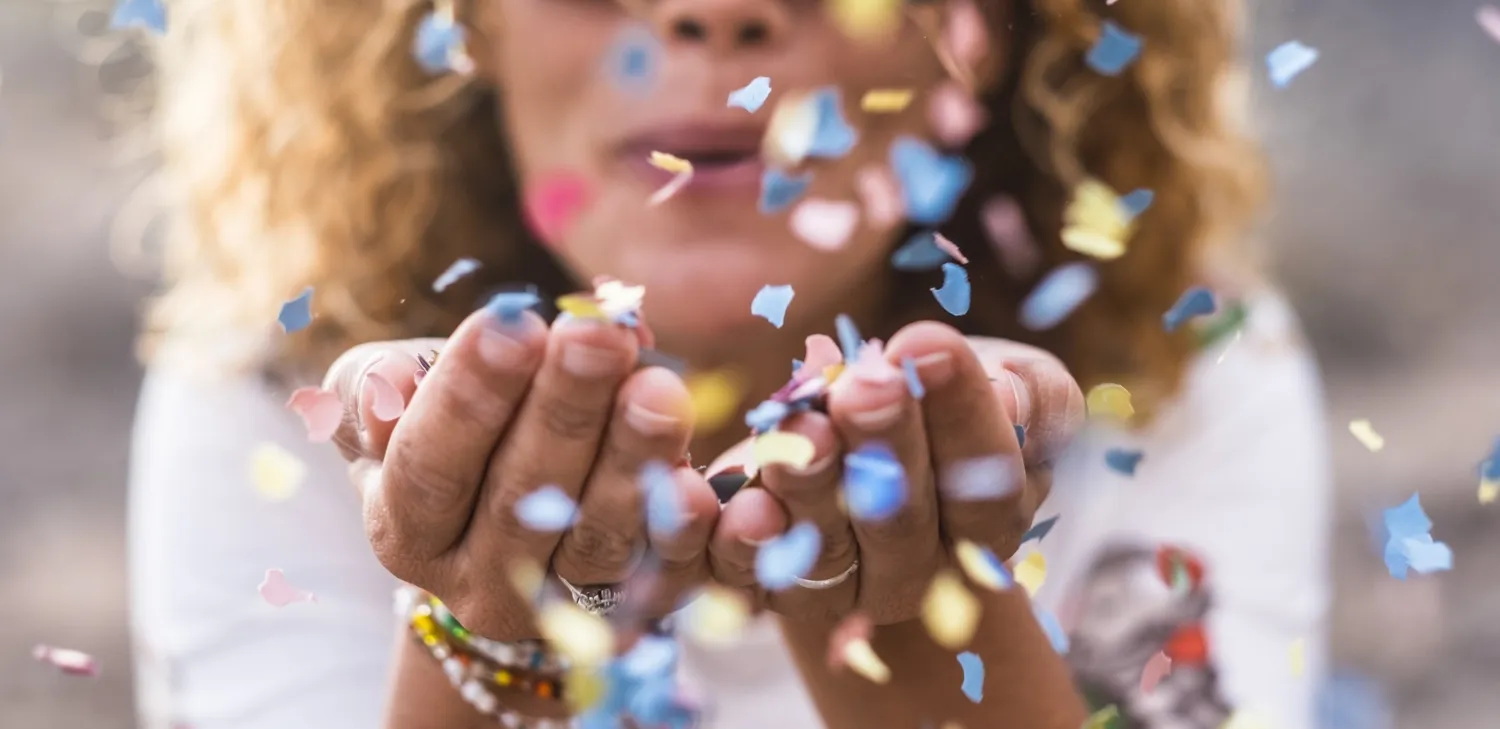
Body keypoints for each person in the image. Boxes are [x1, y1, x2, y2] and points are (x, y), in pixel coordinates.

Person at [127, 0, 1330, 727]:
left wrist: (910, 616)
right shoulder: (276, 392)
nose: (709, 10)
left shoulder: (1178, 367)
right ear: (459, 18)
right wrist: (498, 644)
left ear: (999, 22)